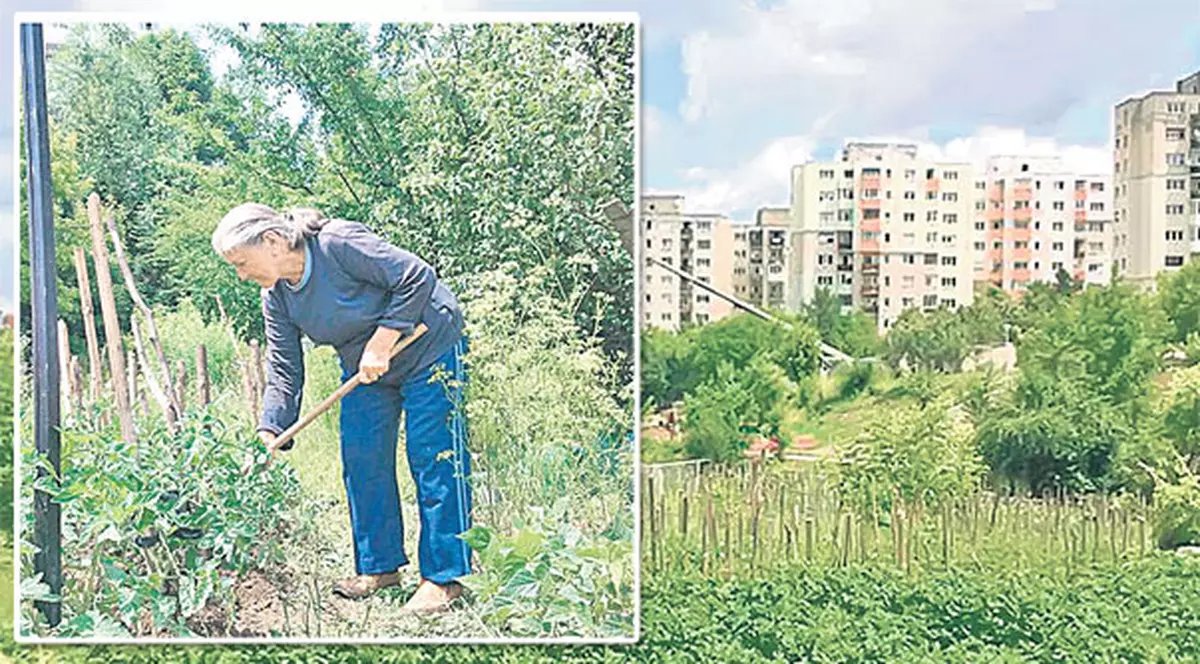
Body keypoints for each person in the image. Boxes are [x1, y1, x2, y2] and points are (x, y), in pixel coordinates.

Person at [211, 203, 472, 613]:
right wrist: (270, 431)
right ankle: (381, 567)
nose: (241, 274)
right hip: (365, 368)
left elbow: (416, 274)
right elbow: (284, 370)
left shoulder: (337, 243)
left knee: (433, 455)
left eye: (242, 263)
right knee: (361, 456)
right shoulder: (276, 298)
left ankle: (443, 579)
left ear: (273, 241)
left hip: (427, 344)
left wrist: (383, 341)